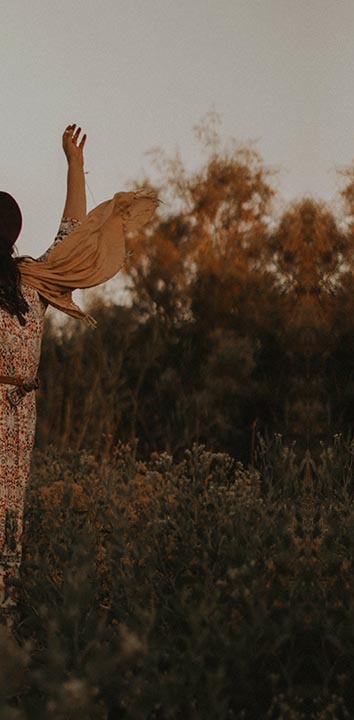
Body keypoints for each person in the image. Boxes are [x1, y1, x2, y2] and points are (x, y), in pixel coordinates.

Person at [0, 125, 157, 621]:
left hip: (16, 412)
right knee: (8, 515)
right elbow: (74, 234)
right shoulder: (36, 281)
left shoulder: (32, 280)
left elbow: (73, 234)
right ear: (13, 234)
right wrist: (74, 164)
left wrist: (74, 165)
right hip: (18, 413)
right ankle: (4, 619)